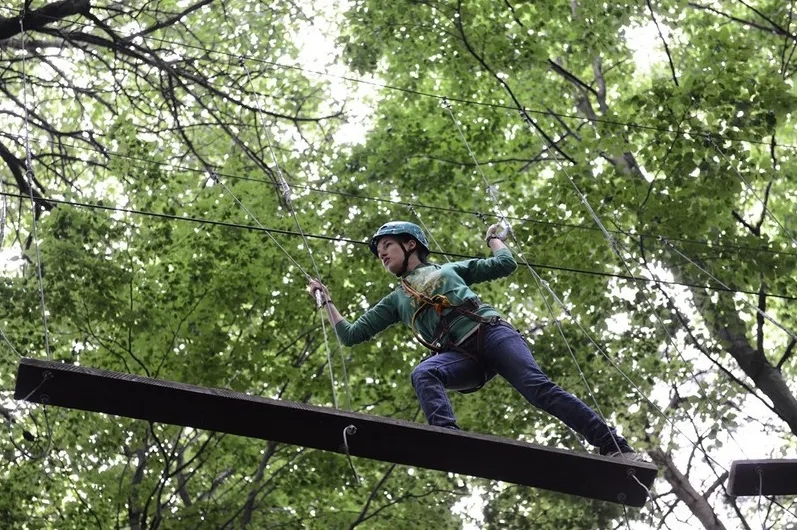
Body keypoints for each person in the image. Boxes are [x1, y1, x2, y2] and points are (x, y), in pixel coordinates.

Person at [307, 221, 640, 459]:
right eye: (379, 252)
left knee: (539, 390)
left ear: (410, 244)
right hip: (461, 356)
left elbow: (505, 264)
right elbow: (351, 335)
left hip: (491, 332)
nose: (381, 255)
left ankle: (613, 445)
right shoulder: (396, 300)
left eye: (386, 247)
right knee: (425, 373)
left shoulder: (449, 269)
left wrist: (494, 237)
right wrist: (327, 300)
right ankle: (448, 439)